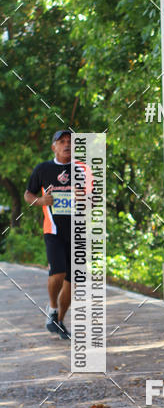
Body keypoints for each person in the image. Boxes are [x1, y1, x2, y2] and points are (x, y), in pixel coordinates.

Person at [24, 130, 73, 340]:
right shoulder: (43, 169)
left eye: (70, 141)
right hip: (53, 229)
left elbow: (94, 196)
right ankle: (52, 308)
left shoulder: (82, 169)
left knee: (71, 282)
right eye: (62, 141)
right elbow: (28, 194)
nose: (66, 145)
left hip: (77, 231)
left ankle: (59, 321)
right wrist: (41, 201)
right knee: (59, 273)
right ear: (54, 146)